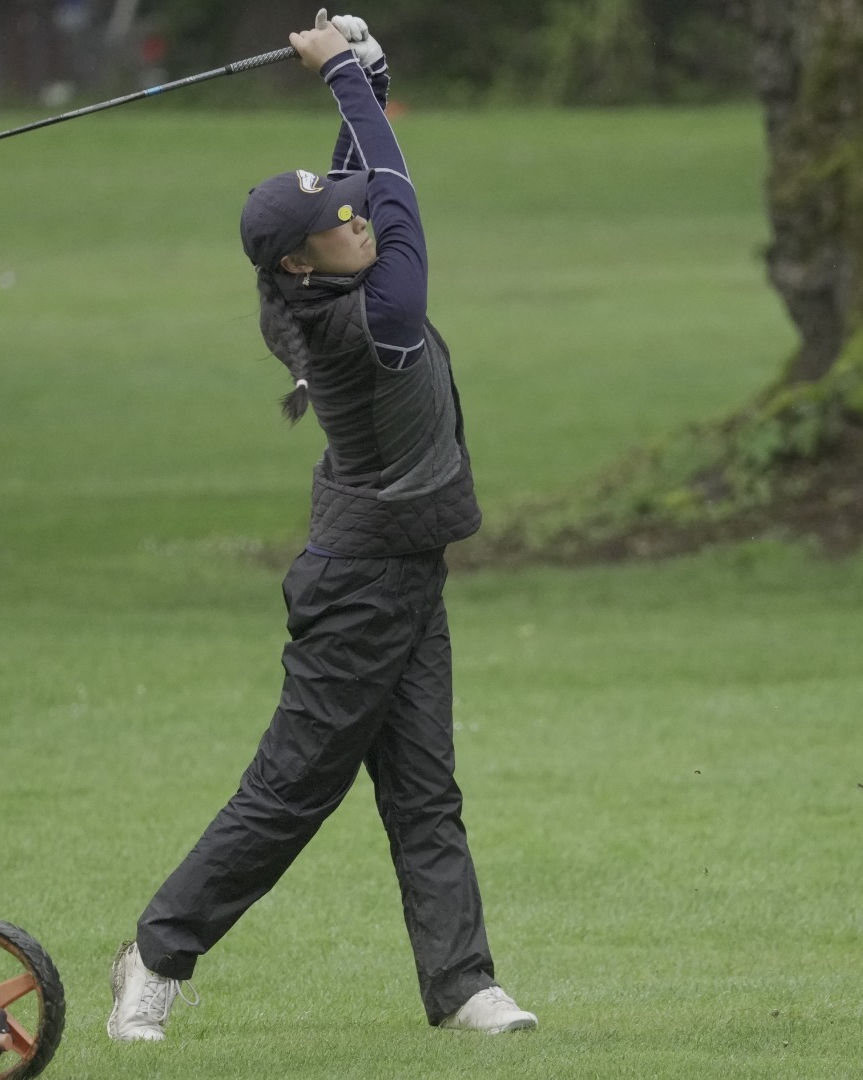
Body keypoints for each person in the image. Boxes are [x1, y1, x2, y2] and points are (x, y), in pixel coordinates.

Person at [106, 10, 537, 1042]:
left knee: (425, 792)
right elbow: (399, 196)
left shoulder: (319, 278)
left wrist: (362, 75)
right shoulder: (366, 321)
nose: (362, 225)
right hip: (358, 593)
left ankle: (463, 986)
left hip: (405, 571)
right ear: (303, 263)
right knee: (290, 796)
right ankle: (155, 955)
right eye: (340, 225)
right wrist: (344, 70)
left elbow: (362, 182)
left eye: (350, 216)